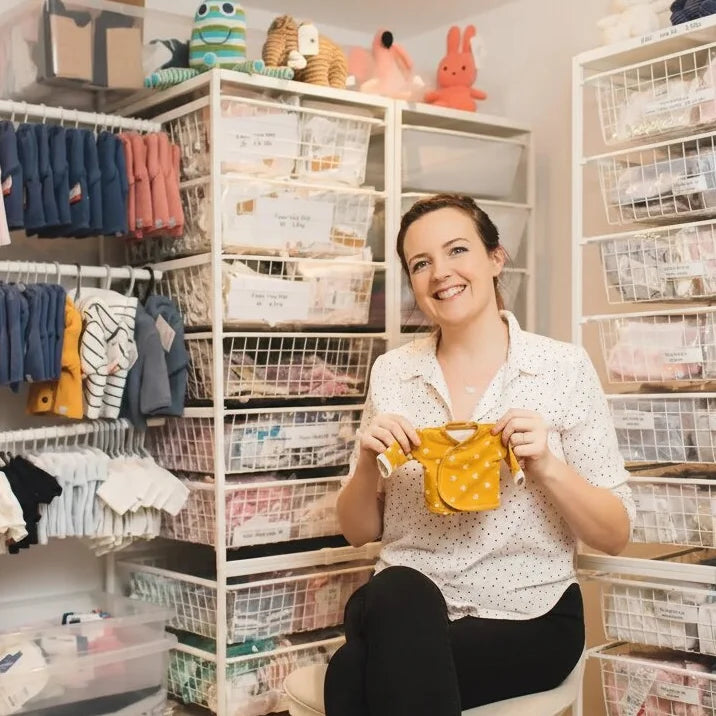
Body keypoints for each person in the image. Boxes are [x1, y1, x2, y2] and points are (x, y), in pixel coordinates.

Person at [325, 194, 634, 716]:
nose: (440, 273)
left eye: (457, 251)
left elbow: (615, 534)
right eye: (421, 264)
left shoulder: (561, 368)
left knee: (352, 672)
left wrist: (547, 468)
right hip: (404, 603)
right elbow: (359, 531)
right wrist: (365, 462)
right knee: (401, 589)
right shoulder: (394, 374)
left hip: (529, 615)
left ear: (496, 257)